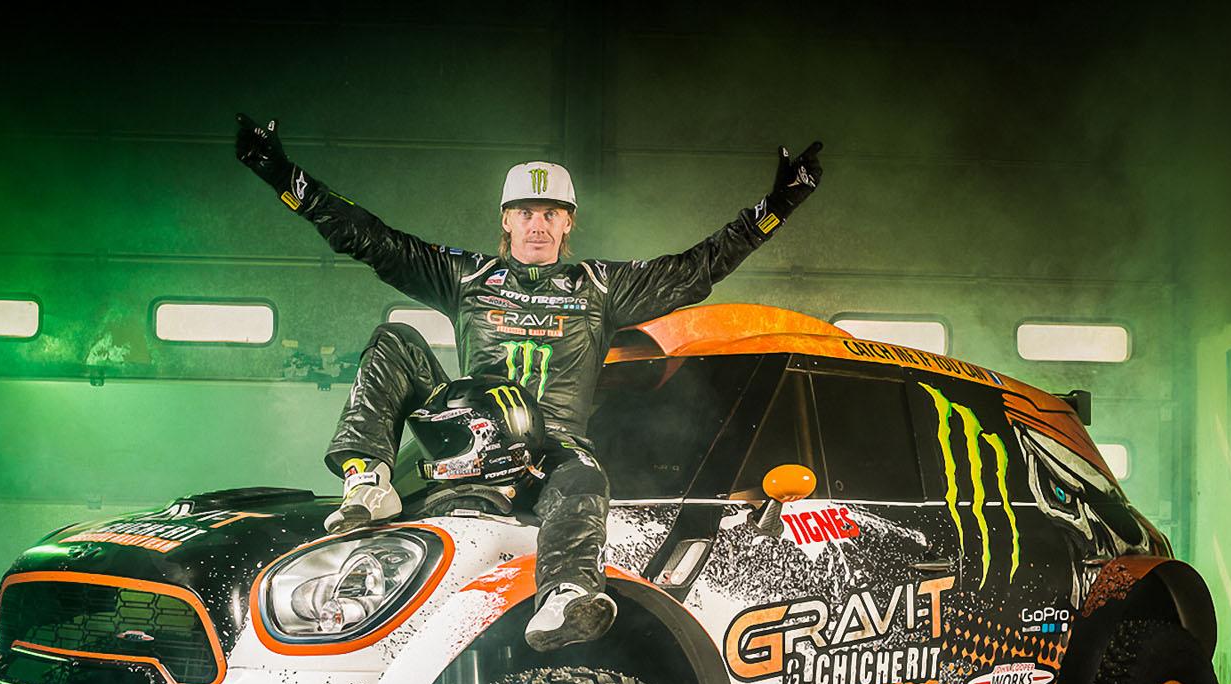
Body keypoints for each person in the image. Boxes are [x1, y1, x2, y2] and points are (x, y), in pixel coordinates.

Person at [235, 112, 822, 650]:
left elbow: (700, 267)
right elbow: (368, 237)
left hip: (551, 448)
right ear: (506, 219)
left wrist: (779, 204)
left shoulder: (600, 286)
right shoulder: (466, 276)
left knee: (587, 475)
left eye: (549, 214)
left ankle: (565, 595)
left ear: (568, 222)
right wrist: (281, 175)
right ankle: (367, 480)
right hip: (469, 440)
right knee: (394, 340)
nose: (536, 225)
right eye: (524, 212)